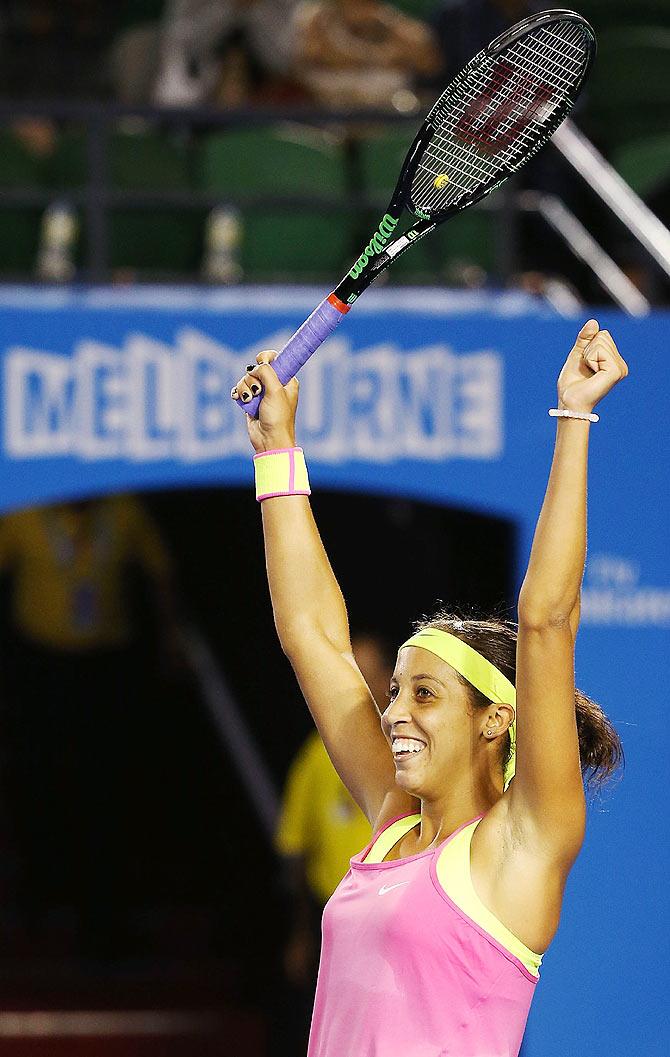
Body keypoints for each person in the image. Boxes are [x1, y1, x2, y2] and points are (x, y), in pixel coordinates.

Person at [232, 317, 626, 1055]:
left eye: (424, 694)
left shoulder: (522, 844)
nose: (393, 713)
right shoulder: (392, 820)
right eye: (397, 690)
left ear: (494, 719)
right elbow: (314, 636)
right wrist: (278, 454)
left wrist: (575, 415)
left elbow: (544, 621)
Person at [274, 631, 392, 1054]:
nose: (353, 688)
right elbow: (294, 849)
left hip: (395, 932)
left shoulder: (416, 756)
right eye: (348, 675)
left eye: (366, 676)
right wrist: (302, 933)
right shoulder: (314, 756)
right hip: (332, 928)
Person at [293, 0, 440, 110]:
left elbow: (429, 63)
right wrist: (375, 57)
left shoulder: (392, 22)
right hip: (329, 115)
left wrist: (387, 25)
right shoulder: (317, 19)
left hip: (387, 114)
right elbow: (317, 57)